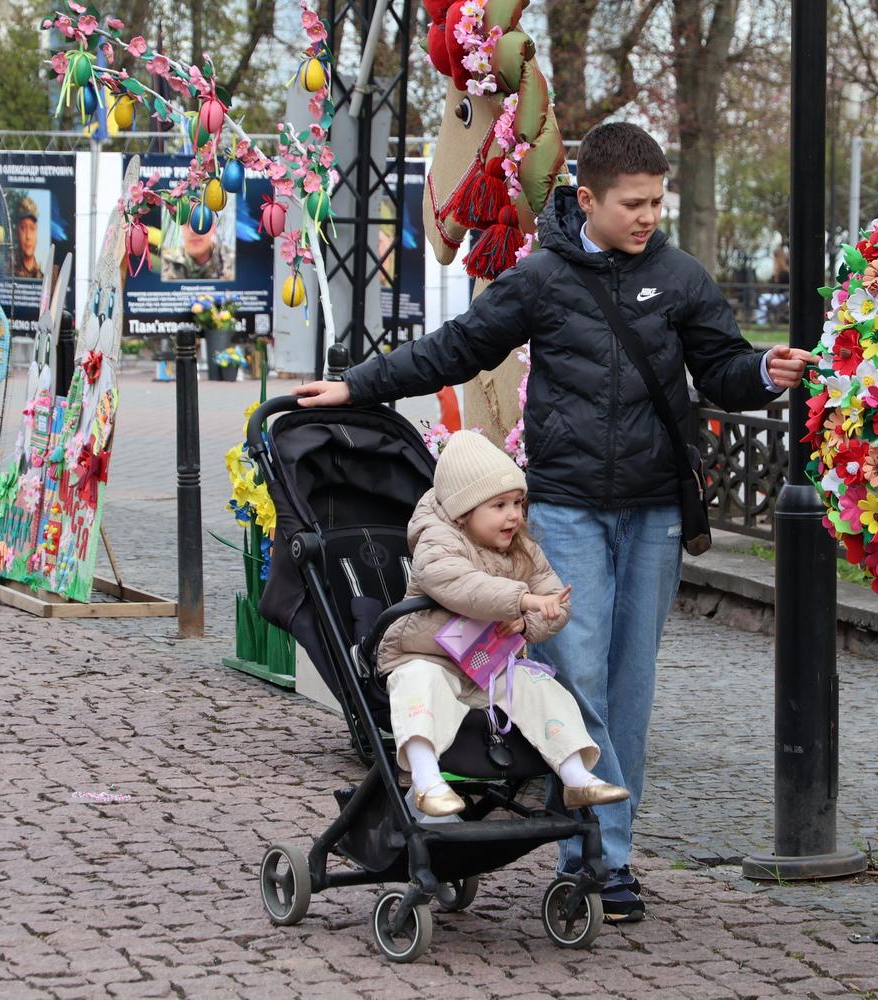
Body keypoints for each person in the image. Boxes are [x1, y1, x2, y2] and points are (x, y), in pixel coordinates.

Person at [295, 122, 813, 921]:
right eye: (633, 203)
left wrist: (763, 372)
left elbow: (723, 368)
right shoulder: (541, 278)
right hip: (567, 512)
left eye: (657, 201)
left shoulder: (679, 276)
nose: (648, 216)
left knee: (630, 685)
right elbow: (457, 348)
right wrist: (358, 385)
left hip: (653, 513)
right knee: (578, 679)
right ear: (588, 200)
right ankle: (600, 857)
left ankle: (605, 854)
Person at [379, 429, 629, 818]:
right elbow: (461, 585)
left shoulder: (521, 546)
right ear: (464, 511)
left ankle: (575, 775)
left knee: (540, 686)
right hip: (427, 657)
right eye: (499, 505)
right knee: (419, 683)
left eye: (517, 503)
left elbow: (556, 599)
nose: (513, 514)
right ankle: (427, 780)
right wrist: (521, 600)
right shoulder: (437, 541)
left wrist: (529, 622)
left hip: (487, 668)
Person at [162, 216, 233, 281]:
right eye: (187, 224)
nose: (193, 231)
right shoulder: (165, 264)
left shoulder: (234, 263)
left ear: (213, 229)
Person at [9, 197, 43, 279]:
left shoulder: (43, 278)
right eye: (23, 228)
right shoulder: (9, 273)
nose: (28, 236)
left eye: (32, 228)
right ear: (16, 232)